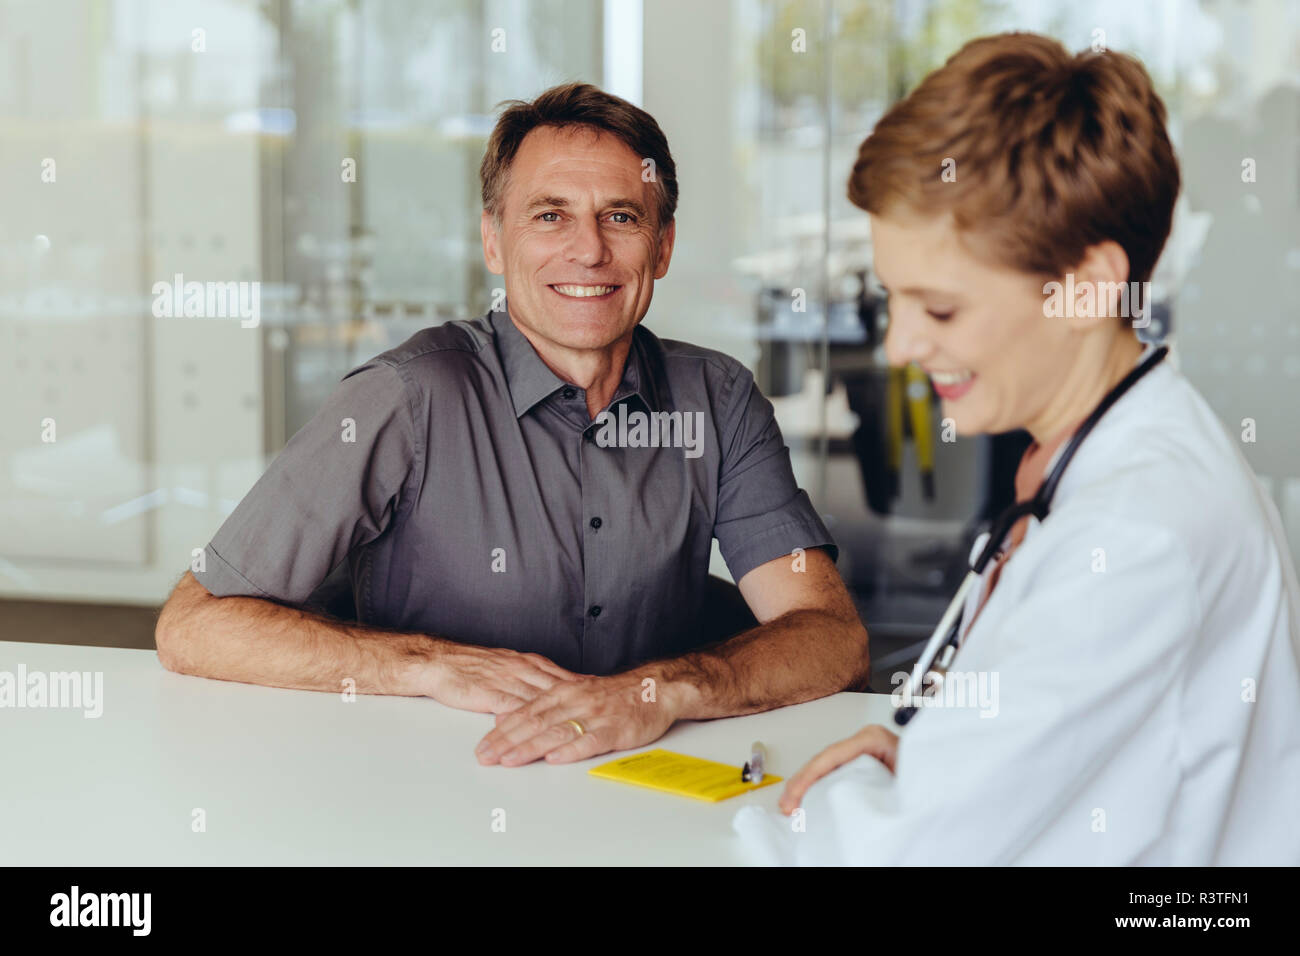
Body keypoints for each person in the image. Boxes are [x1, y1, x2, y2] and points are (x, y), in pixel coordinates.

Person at [155, 82, 870, 769]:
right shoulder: (407, 396)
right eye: (550, 215)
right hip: (423, 781)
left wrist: (660, 691)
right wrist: (432, 665)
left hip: (640, 780)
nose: (588, 250)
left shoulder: (718, 399)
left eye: (620, 216)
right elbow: (194, 624)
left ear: (662, 246)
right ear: (494, 242)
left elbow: (830, 636)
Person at [735, 33, 1300, 864]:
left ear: (1088, 286)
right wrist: (929, 760)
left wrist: (845, 796)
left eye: (941, 309)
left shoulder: (1139, 528)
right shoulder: (1090, 461)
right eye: (897, 300)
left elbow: (895, 855)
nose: (898, 348)